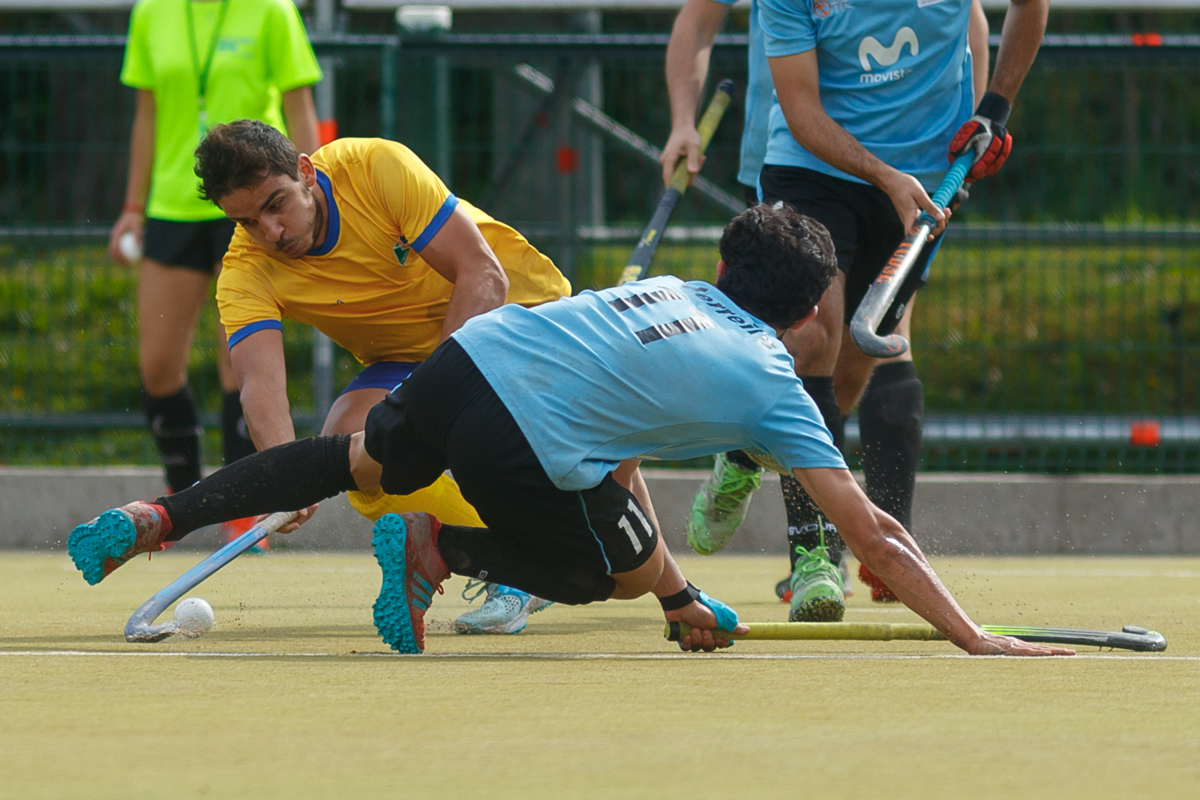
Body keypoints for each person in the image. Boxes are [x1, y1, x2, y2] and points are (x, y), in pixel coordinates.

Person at [66, 203, 1073, 660]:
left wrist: (685, 595)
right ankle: (441, 542)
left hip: (469, 359)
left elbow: (614, 452)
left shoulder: (673, 290)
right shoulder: (774, 380)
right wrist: (974, 633)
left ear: (725, 271)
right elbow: (875, 535)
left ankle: (159, 511)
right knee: (602, 573)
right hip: (515, 429)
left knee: (352, 457)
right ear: (811, 314)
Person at [664, 0, 1043, 622]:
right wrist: (884, 177)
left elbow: (1006, 10)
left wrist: (989, 110)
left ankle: (761, 456)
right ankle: (814, 553)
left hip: (925, 168)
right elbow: (799, 108)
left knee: (866, 352)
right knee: (812, 339)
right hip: (814, 161)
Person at [195, 120, 571, 634]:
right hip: (411, 356)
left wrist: (435, 403)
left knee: (595, 462)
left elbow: (484, 276)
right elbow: (261, 386)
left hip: (518, 315)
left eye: (275, 205)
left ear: (305, 171)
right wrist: (289, 479)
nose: (271, 233)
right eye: (247, 222)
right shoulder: (244, 270)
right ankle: (511, 564)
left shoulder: (373, 168)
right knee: (351, 451)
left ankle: (660, 578)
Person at [107, 0, 322, 548]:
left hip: (252, 211)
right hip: (173, 208)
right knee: (156, 367)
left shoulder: (273, 11)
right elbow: (147, 116)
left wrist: (316, 191)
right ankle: (179, 503)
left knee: (239, 366)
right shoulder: (151, 13)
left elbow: (299, 108)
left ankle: (244, 511)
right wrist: (133, 205)